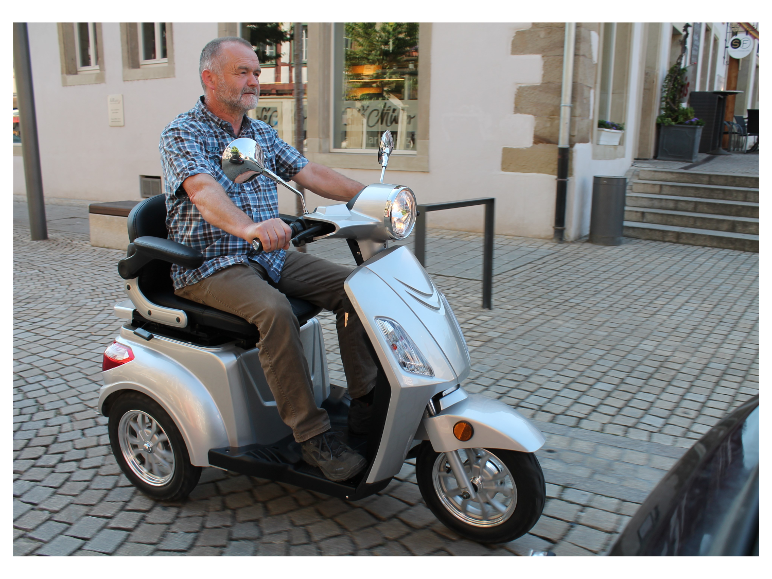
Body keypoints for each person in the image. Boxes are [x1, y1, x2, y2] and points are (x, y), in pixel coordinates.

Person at [159, 37, 377, 482]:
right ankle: (313, 437)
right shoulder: (183, 133)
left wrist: (371, 197)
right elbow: (204, 191)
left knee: (355, 290)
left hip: (271, 257)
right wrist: (249, 228)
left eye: (256, 72)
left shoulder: (259, 132)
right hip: (210, 263)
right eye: (242, 72)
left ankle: (366, 406)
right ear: (210, 78)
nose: (254, 81)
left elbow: (310, 172)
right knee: (275, 312)